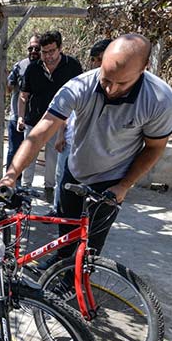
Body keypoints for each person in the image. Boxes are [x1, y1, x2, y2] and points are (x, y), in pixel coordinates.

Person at [0, 33, 172, 267]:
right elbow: (40, 132)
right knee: (66, 232)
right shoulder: (80, 86)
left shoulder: (159, 100)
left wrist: (124, 185)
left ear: (144, 68)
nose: (111, 89)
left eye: (121, 83)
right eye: (106, 79)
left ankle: (73, 286)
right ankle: (59, 268)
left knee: (89, 247)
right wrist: (11, 176)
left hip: (112, 180)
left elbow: (154, 148)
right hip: (75, 170)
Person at [17, 30, 83, 191]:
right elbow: (23, 95)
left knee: (53, 157)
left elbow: (81, 97)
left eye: (51, 51)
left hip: (60, 122)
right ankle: (26, 187)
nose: (47, 56)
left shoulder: (73, 66)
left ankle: (49, 188)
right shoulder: (33, 68)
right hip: (34, 121)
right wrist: (20, 117)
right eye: (44, 52)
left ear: (60, 48)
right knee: (29, 155)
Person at [52, 39, 112, 213]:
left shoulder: (118, 88)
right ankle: (58, 209)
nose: (98, 63)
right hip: (70, 142)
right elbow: (64, 114)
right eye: (95, 59)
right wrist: (60, 135)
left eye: (102, 59)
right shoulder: (81, 84)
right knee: (62, 180)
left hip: (94, 151)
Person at [6, 34, 41, 178]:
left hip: (36, 120)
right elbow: (8, 89)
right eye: (30, 48)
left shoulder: (46, 68)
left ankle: (27, 184)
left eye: (37, 48)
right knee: (14, 150)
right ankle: (10, 182)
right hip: (17, 117)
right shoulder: (20, 66)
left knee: (30, 152)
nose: (33, 51)